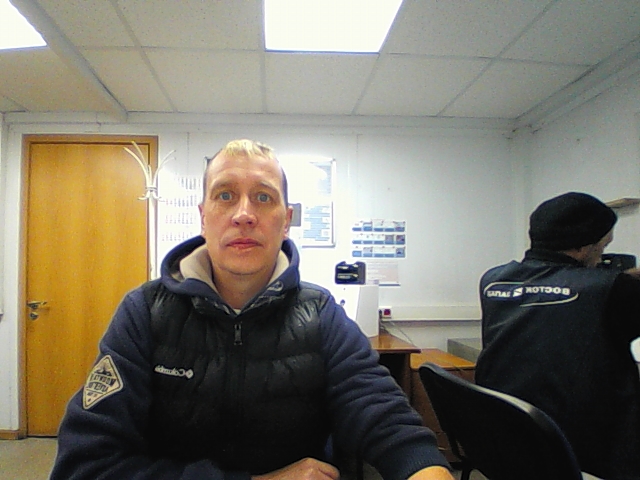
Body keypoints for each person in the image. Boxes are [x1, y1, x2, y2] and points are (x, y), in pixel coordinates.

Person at [50, 139, 454, 480]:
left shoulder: (321, 314)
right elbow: (84, 466)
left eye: (263, 197)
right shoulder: (144, 312)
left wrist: (423, 467)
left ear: (286, 221)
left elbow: (383, 416)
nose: (244, 215)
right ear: (204, 217)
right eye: (225, 195)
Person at [475, 191, 640, 480]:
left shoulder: (493, 280)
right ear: (583, 246)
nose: (601, 257)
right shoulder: (613, 289)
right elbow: (597, 291)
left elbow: (557, 294)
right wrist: (623, 283)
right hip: (584, 449)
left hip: (510, 435)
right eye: (603, 246)